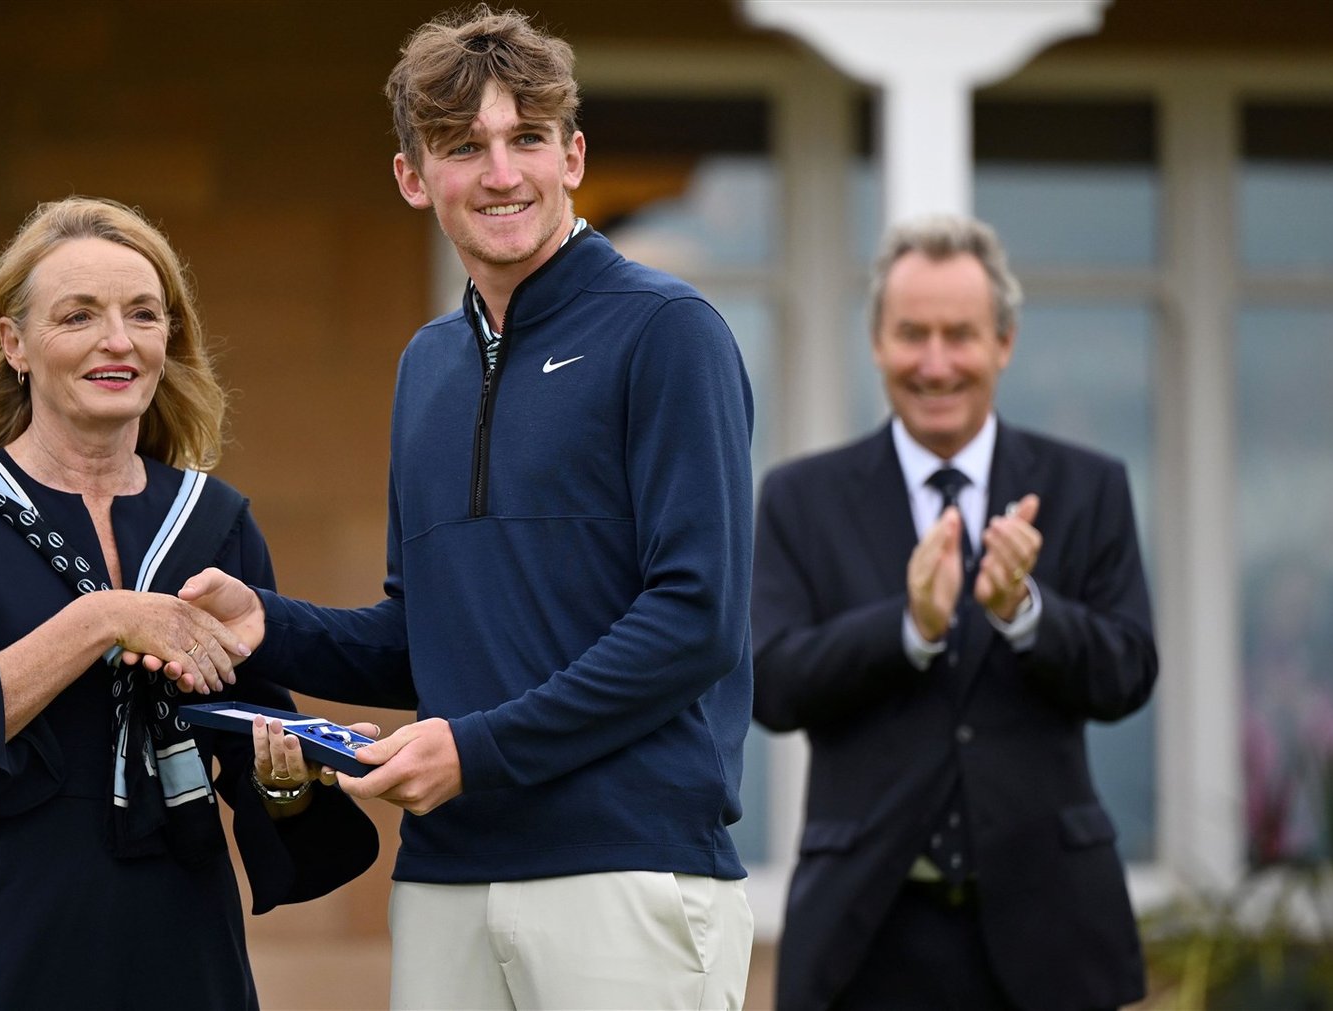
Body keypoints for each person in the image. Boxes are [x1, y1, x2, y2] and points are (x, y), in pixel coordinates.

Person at [165, 6, 757, 1007]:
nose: (499, 173)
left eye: (526, 138)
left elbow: (693, 622)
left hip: (625, 877)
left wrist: (473, 751)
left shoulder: (669, 333)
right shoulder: (426, 366)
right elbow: (425, 637)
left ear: (572, 155)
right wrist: (272, 630)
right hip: (446, 885)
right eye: (461, 147)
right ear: (411, 176)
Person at [0, 196, 379, 1010]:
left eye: (143, 314)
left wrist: (297, 773)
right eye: (79, 316)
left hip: (183, 933)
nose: (118, 340)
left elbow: (252, 738)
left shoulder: (215, 519)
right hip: (12, 931)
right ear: (16, 344)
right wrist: (106, 615)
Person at [751, 213, 1157, 1011]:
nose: (935, 363)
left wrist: (1027, 611)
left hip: (1052, 933)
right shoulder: (801, 497)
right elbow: (768, 682)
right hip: (864, 939)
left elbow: (1128, 672)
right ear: (876, 341)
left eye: (960, 336)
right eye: (912, 334)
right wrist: (909, 628)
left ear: (1003, 343)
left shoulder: (1088, 486)